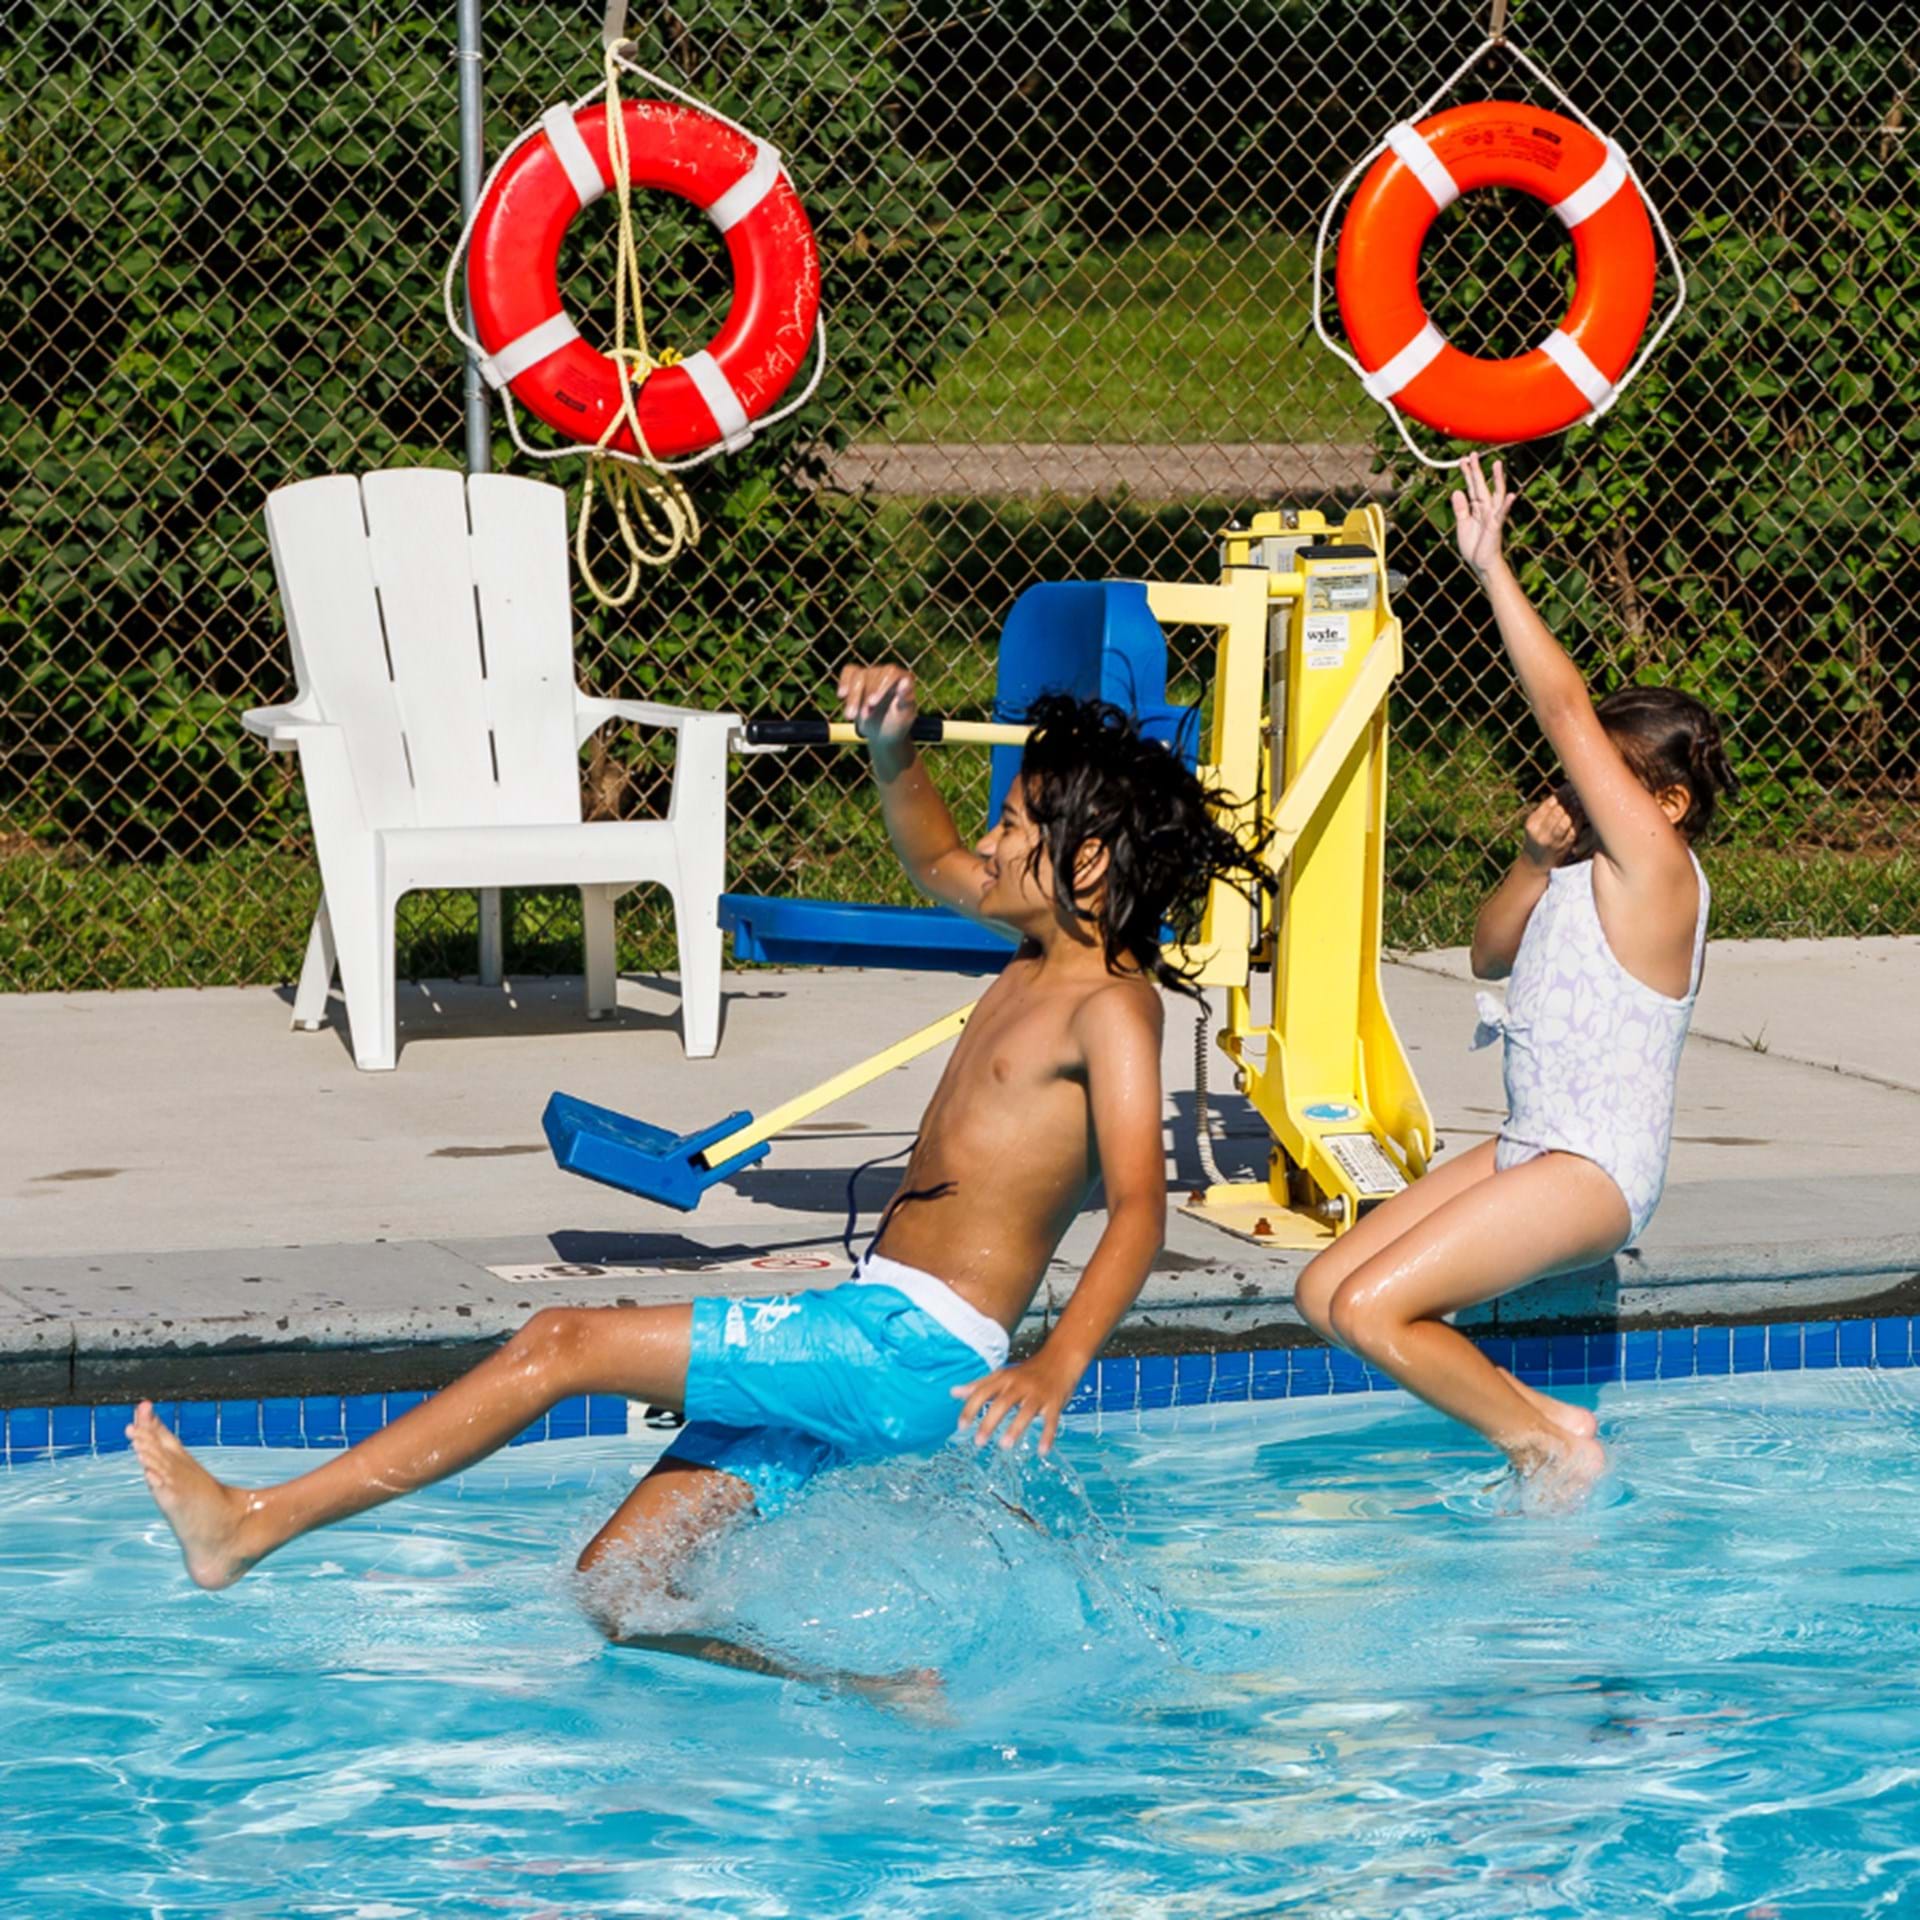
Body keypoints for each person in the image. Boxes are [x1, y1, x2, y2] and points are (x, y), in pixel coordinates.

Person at [129, 676, 1268, 1680]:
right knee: (617, 1588)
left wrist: (1060, 1364)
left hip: (909, 1348)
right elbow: (930, 854)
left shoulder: (1114, 1005)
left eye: (1011, 823)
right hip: (870, 1335)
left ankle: (256, 1523)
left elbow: (1137, 1207)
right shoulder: (1034, 951)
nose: (986, 842)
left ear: (1084, 860)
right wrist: (892, 745)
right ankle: (877, 1691)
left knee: (560, 1343)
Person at [1293, 455, 1734, 1491]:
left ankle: (1543, 1449)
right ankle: (1553, 1419)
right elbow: (1489, 949)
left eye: (1608, 778)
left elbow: (1566, 709)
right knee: (1325, 1291)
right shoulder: (1582, 870)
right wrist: (1534, 861)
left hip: (1593, 1168)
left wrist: (1491, 567)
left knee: (1371, 1309)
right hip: (1531, 1145)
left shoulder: (1663, 877)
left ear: (1665, 803)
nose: (1578, 783)